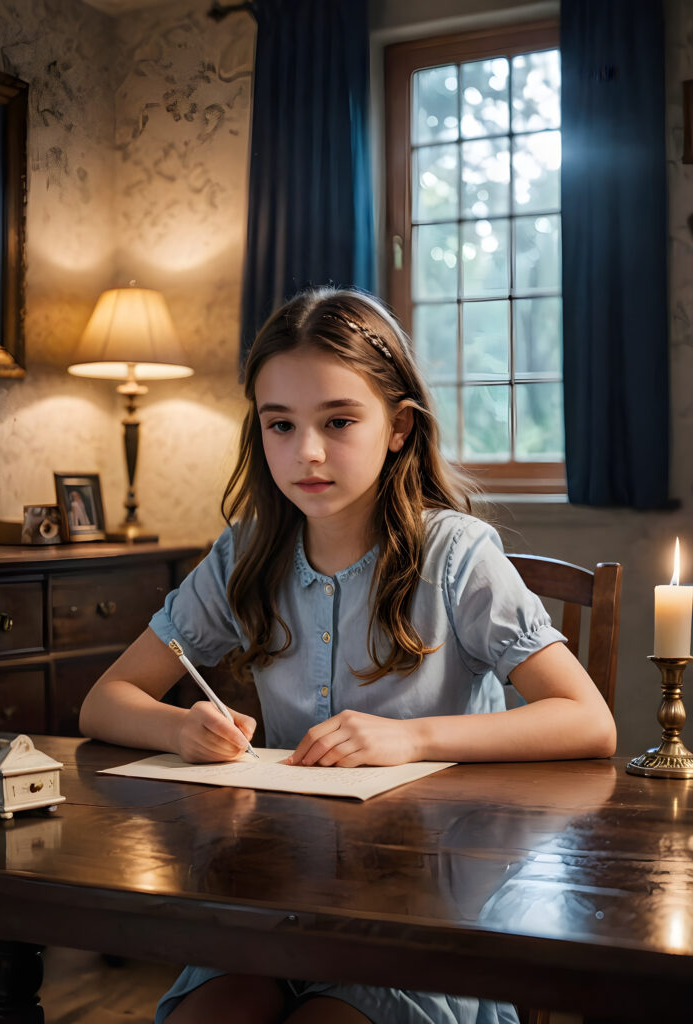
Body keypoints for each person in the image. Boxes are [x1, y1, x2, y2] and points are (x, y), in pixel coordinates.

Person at [79, 287, 616, 1024]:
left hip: (428, 917)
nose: (307, 452)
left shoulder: (455, 555)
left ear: (398, 426)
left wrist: (410, 737)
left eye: (338, 421)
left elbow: (588, 721)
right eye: (280, 425)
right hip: (273, 904)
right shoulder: (244, 556)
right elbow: (105, 700)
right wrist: (181, 728)